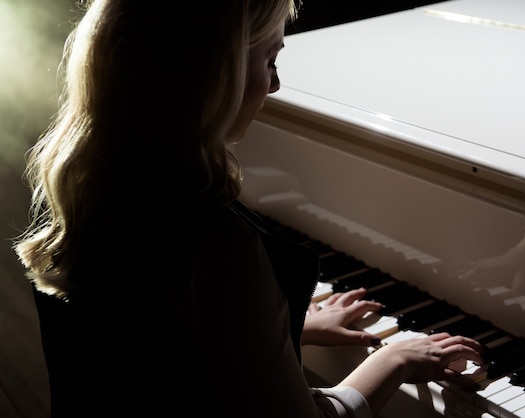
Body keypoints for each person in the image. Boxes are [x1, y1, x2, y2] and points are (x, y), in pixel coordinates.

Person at [13, 1, 483, 417]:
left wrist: (283, 329)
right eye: (270, 59)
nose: (275, 85)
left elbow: (152, 353)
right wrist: (393, 359)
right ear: (213, 71)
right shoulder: (215, 245)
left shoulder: (96, 187)